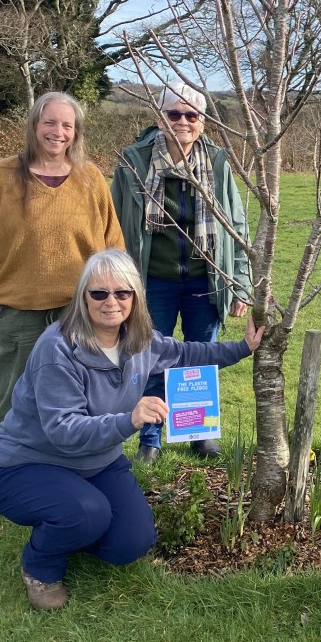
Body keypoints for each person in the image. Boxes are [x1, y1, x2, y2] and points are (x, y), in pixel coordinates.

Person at [0, 249, 265, 610]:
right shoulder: (58, 348)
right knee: (87, 512)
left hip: (94, 461)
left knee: (131, 542)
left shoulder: (139, 339)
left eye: (122, 292)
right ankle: (41, 566)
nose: (110, 301)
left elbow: (187, 354)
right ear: (83, 297)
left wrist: (243, 347)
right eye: (99, 293)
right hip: (25, 464)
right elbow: (63, 431)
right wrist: (129, 419)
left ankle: (70, 523)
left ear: (135, 296)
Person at [0, 92, 125, 528]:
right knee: (9, 399)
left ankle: (79, 474)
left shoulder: (90, 179)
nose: (58, 132)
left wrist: (116, 300)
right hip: (20, 312)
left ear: (77, 132)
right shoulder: (0, 178)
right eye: (50, 123)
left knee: (85, 399)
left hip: (80, 314)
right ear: (34, 125)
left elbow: (113, 247)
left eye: (67, 126)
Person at [112, 81, 252, 464]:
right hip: (150, 279)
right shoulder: (134, 161)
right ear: (160, 117)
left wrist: (240, 284)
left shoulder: (219, 162)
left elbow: (237, 226)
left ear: (203, 121)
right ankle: (151, 439)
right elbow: (113, 222)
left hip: (203, 280)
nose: (183, 122)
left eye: (192, 115)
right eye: (174, 114)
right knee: (149, 357)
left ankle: (200, 433)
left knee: (200, 359)